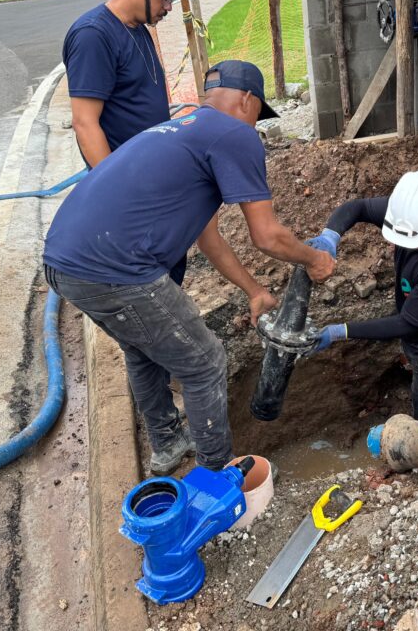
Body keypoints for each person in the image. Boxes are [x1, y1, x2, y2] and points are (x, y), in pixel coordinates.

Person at [43, 60, 334, 475]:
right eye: (256, 115)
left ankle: (166, 445)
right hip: (115, 269)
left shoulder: (184, 127)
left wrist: (254, 290)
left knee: (144, 349)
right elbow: (267, 235)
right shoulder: (235, 134)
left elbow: (208, 237)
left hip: (64, 260)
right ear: (248, 100)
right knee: (204, 362)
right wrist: (315, 258)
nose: (254, 125)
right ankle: (217, 477)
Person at [305, 171, 418, 422]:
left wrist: (340, 331)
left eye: (417, 242)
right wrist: (330, 236)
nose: (408, 246)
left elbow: (405, 324)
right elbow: (360, 207)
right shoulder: (412, 217)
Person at [63, 0, 191, 168]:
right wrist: (113, 186)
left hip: (148, 169)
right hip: (126, 179)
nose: (168, 7)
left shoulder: (137, 26)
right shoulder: (93, 36)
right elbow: (84, 122)